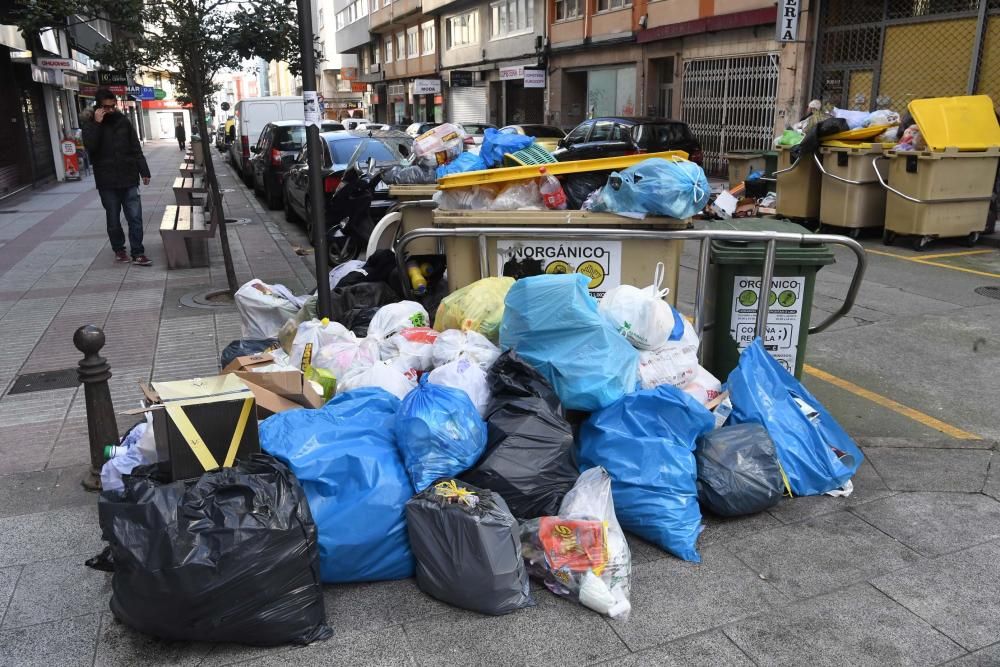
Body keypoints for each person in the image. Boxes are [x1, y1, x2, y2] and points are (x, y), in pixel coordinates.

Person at [82, 88, 153, 266]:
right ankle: (119, 250)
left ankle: (138, 252)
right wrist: (97, 124)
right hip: (107, 180)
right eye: (107, 107)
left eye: (113, 106)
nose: (111, 110)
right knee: (113, 218)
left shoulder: (124, 122)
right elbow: (91, 147)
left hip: (128, 176)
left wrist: (144, 170)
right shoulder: (90, 124)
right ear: (98, 107)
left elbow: (135, 147)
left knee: (135, 217)